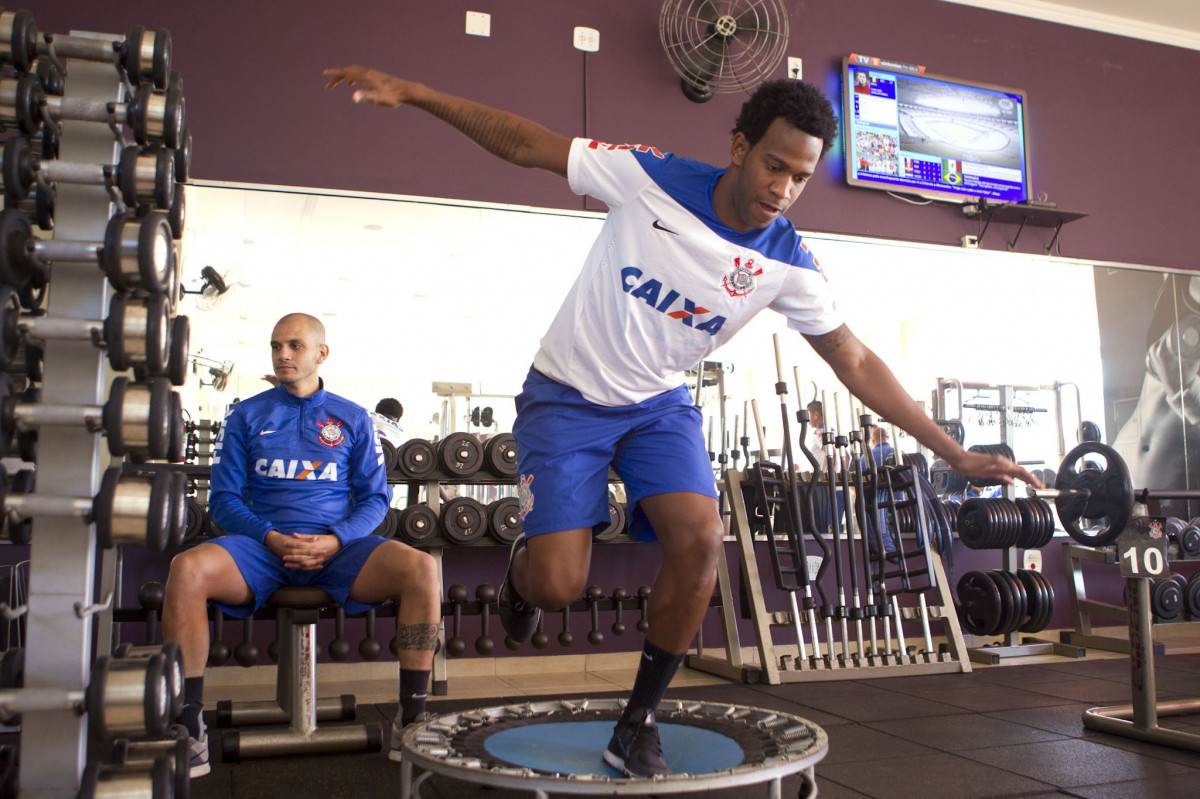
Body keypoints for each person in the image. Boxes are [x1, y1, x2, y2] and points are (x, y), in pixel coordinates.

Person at [323, 66, 1038, 778]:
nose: (782, 189)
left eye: (800, 177)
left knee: (703, 537)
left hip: (659, 406)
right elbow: (527, 143)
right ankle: (523, 575)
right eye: (773, 165)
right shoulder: (647, 178)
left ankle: (637, 722)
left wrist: (953, 450)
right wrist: (420, 93)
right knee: (559, 585)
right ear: (738, 146)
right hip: (566, 396)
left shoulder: (786, 259)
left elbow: (852, 357)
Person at [161, 313, 441, 776]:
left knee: (422, 570)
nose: (283, 355)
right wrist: (270, 537)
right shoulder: (246, 415)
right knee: (186, 569)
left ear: (320, 353)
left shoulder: (353, 419)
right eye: (276, 346)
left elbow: (376, 501)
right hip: (262, 549)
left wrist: (335, 539)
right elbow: (225, 502)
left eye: (294, 345)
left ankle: (411, 717)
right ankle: (190, 726)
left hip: (337, 551)